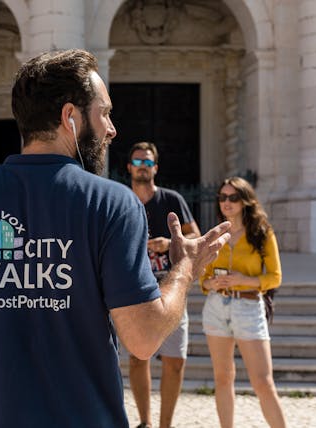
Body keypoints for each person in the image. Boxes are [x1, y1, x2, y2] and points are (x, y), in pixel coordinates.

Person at [0, 49, 231, 427]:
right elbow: (143, 337)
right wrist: (185, 269)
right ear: (70, 117)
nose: (112, 129)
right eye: (105, 113)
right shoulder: (111, 203)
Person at [199, 177, 286, 428]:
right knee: (223, 378)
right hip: (216, 307)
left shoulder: (262, 233)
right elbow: (202, 278)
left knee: (262, 382)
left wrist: (244, 280)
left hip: (248, 308)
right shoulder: (215, 233)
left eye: (233, 197)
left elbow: (275, 277)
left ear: (245, 201)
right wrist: (210, 285)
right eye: (222, 197)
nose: (226, 202)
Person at [126, 141, 201, 428]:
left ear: (155, 168)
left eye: (147, 163)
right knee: (137, 357)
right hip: (134, 290)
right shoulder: (122, 199)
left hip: (171, 288)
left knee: (175, 361)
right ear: (129, 167)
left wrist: (170, 242)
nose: (142, 167)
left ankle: (165, 425)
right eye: (138, 162)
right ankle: (145, 422)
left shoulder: (172, 200)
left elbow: (196, 236)